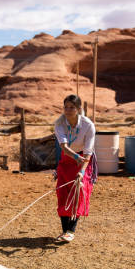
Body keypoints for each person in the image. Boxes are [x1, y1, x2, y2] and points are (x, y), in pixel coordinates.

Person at [53, 94, 97, 243]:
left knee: (78, 192)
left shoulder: (88, 125)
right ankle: (65, 231)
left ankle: (71, 230)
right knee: (63, 194)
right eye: (66, 107)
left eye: (72, 107)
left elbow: (88, 152)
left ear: (79, 109)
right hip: (67, 160)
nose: (68, 110)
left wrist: (82, 170)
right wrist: (76, 158)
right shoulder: (59, 124)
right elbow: (64, 148)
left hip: (84, 161)